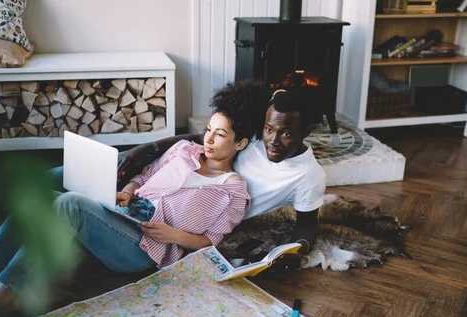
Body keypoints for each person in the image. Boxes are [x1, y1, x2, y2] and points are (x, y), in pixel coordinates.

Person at [0, 81, 262, 316]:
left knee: (68, 203)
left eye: (221, 135)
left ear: (241, 143)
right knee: (47, 195)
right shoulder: (184, 150)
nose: (209, 139)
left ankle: (2, 298)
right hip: (120, 213)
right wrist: (127, 190)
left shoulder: (233, 190)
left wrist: (174, 235)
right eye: (209, 130)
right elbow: (144, 176)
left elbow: (212, 241)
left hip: (146, 247)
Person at [119, 88, 326, 271]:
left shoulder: (309, 175)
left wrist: (299, 250)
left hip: (213, 206)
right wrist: (147, 148)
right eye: (269, 129)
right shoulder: (254, 134)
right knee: (117, 163)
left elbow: (307, 223)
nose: (273, 141)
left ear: (305, 132)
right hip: (195, 174)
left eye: (286, 134)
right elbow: (204, 139)